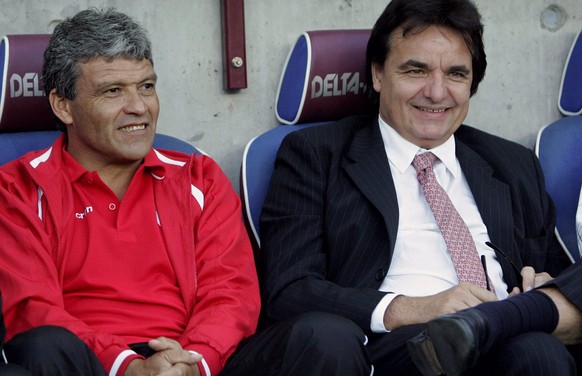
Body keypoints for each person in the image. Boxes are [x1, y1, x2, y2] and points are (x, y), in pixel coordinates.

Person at [221, 0, 582, 375]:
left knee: (540, 351)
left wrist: (542, 284)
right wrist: (412, 307)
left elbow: (550, 272)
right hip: (385, 346)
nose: (437, 92)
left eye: (456, 74)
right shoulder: (315, 154)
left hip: (500, 340)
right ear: (378, 74)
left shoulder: (512, 163)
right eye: (416, 70)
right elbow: (289, 289)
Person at [0, 8, 260, 376]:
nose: (139, 107)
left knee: (319, 337)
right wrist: (129, 366)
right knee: (44, 343)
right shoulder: (18, 188)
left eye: (147, 87)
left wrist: (192, 362)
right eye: (113, 91)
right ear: (63, 105)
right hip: (86, 363)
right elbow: (32, 308)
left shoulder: (198, 177)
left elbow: (231, 292)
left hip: (188, 357)